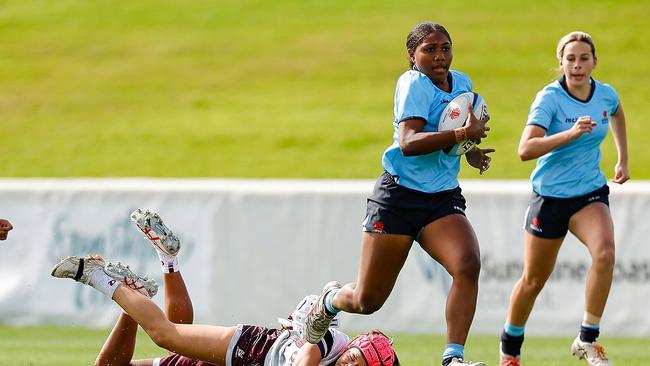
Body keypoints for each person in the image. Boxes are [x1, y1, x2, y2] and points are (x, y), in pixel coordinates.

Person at [304, 22, 493, 366]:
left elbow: (452, 133)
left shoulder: (462, 82)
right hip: (398, 199)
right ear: (412, 55)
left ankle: (453, 359)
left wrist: (470, 149)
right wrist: (464, 132)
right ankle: (329, 301)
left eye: (445, 47)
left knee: (467, 264)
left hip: (441, 199)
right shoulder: (412, 84)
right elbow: (408, 143)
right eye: (429, 49)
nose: (440, 56)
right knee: (367, 300)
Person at [52, 209, 400, 366]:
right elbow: (311, 340)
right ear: (354, 346)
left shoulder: (332, 345)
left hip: (255, 351)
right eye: (355, 361)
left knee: (166, 337)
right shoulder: (328, 346)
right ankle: (97, 275)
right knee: (166, 335)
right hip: (252, 351)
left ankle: (161, 270)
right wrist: (326, 308)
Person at [499, 31, 629, 366]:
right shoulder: (549, 99)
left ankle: (588, 338)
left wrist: (622, 158)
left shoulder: (605, 94)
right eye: (570, 58)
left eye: (584, 58)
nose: (577, 65)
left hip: (589, 193)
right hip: (550, 198)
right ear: (561, 63)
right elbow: (525, 150)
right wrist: (569, 134)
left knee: (605, 253)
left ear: (594, 63)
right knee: (533, 280)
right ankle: (509, 349)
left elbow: (616, 111)